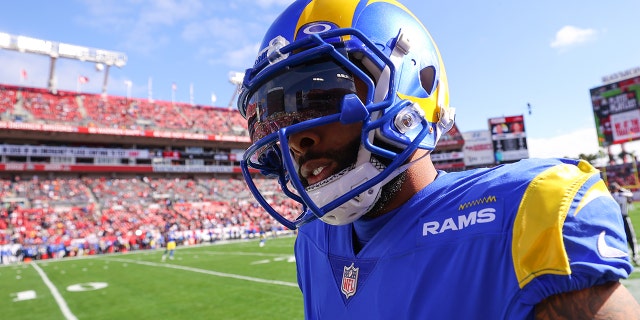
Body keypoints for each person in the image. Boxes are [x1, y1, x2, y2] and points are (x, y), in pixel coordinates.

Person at [236, 0, 640, 318]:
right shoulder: (312, 238)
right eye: (275, 115)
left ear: (411, 88)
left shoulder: (517, 220)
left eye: (320, 96)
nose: (296, 139)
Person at [610, 181, 640, 264]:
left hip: (614, 219)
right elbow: (630, 196)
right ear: (617, 188)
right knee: (631, 237)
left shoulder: (610, 196)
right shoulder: (623, 195)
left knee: (617, 238)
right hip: (624, 217)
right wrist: (621, 189)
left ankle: (620, 257)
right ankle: (635, 256)